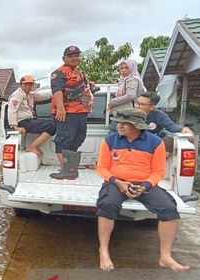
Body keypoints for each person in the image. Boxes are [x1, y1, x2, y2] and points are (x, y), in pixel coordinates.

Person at [96, 107, 190, 272]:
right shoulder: (110, 140)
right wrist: (117, 182)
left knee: (168, 209)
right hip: (117, 181)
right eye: (119, 123)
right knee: (107, 204)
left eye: (126, 124)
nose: (120, 126)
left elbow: (158, 172)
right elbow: (102, 168)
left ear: (138, 126)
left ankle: (165, 257)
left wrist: (144, 186)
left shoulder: (155, 142)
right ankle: (103, 250)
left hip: (144, 183)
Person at [50, 45, 94, 180]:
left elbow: (83, 86)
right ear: (64, 58)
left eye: (77, 55)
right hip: (67, 112)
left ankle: (71, 168)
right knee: (64, 140)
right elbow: (57, 90)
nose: (74, 58)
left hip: (81, 111)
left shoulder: (79, 71)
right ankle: (66, 170)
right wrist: (61, 108)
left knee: (78, 138)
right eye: (70, 56)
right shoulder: (59, 72)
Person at [8, 75, 55, 157]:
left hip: (28, 121)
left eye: (30, 84)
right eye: (25, 84)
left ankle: (33, 145)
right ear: (21, 84)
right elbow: (11, 110)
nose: (28, 86)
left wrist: (56, 91)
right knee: (51, 126)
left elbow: (43, 96)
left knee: (52, 125)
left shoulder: (29, 95)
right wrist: (16, 127)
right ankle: (32, 146)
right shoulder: (17, 95)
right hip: (22, 122)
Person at [107, 59, 146, 132]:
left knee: (117, 136)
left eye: (126, 68)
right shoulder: (124, 79)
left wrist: (113, 102)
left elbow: (131, 95)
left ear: (132, 68)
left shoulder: (132, 79)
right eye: (121, 68)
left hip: (126, 114)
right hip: (121, 113)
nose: (123, 70)